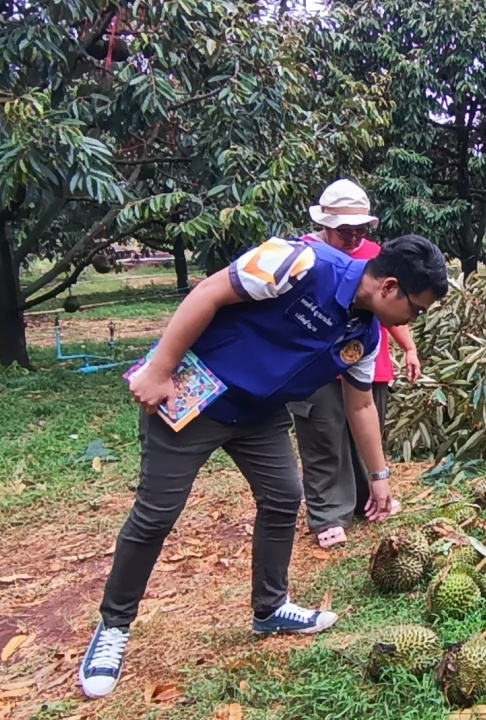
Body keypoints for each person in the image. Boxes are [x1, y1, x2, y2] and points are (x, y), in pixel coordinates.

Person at [78, 231, 449, 699]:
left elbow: (361, 408)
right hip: (196, 394)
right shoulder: (299, 261)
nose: (414, 319)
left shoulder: (365, 334)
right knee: (156, 515)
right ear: (390, 287)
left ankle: (270, 608)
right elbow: (209, 291)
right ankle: (114, 627)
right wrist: (160, 369)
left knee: (282, 498)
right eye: (416, 308)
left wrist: (380, 478)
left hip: (259, 415)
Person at [289, 179, 423, 548]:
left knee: (367, 428)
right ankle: (329, 513)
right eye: (344, 231)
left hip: (365, 358)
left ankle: (370, 498)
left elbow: (394, 309)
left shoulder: (377, 257)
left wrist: (409, 348)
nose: (352, 238)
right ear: (325, 224)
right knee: (324, 436)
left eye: (359, 230)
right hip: (316, 366)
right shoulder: (302, 256)